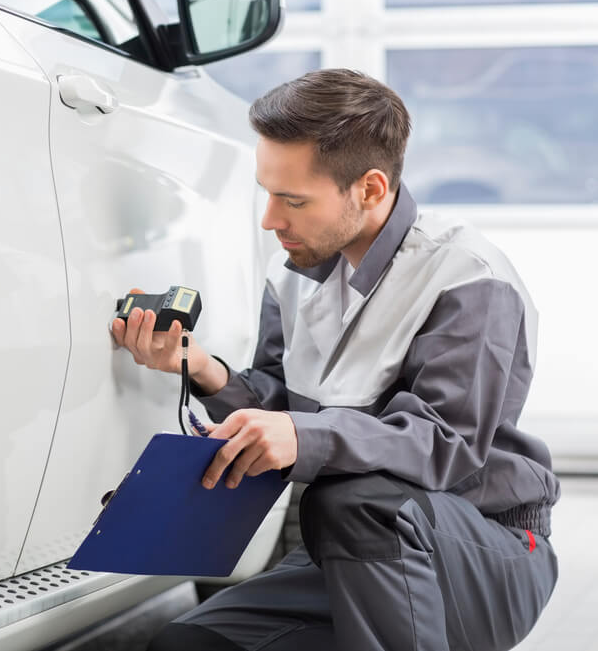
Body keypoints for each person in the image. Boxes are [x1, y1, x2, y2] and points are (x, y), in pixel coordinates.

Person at [111, 69, 559, 651]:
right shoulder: (292, 273)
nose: (271, 219)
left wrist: (305, 436)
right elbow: (280, 400)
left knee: (356, 499)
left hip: (482, 549)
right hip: (357, 549)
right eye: (267, 193)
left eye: (293, 200)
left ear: (370, 189)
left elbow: (443, 444)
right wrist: (200, 368)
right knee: (190, 645)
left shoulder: (467, 277)